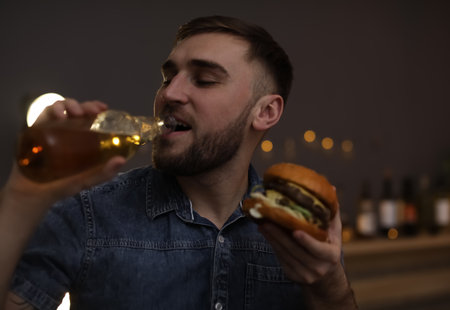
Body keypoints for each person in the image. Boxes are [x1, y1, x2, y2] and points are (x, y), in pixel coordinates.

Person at [0, 16, 357, 309]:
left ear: (265, 112)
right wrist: (22, 197)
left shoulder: (300, 231)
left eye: (204, 80)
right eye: (168, 78)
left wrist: (331, 288)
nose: (169, 94)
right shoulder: (88, 215)